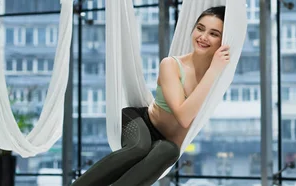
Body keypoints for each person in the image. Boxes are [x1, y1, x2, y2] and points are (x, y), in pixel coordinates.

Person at [71, 6, 229, 186]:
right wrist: (213, 71)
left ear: (222, 41)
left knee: (170, 151)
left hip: (164, 141)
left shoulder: (218, 77)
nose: (203, 37)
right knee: (139, 148)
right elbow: (184, 117)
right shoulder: (171, 65)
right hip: (141, 120)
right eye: (200, 28)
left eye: (213, 34)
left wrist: (214, 71)